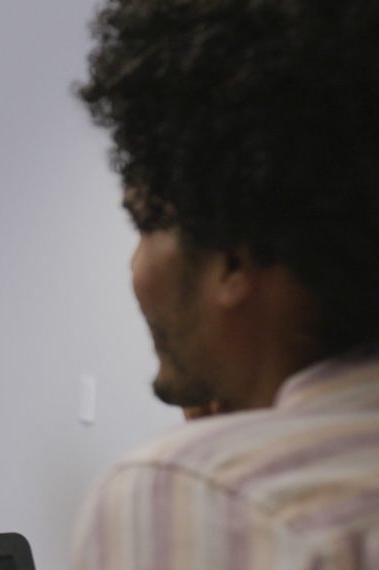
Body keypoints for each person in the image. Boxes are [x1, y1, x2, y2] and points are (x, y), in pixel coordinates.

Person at [72, 0, 379, 568]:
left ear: (234, 262)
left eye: (146, 224)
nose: (134, 269)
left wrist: (210, 461)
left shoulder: (196, 495)